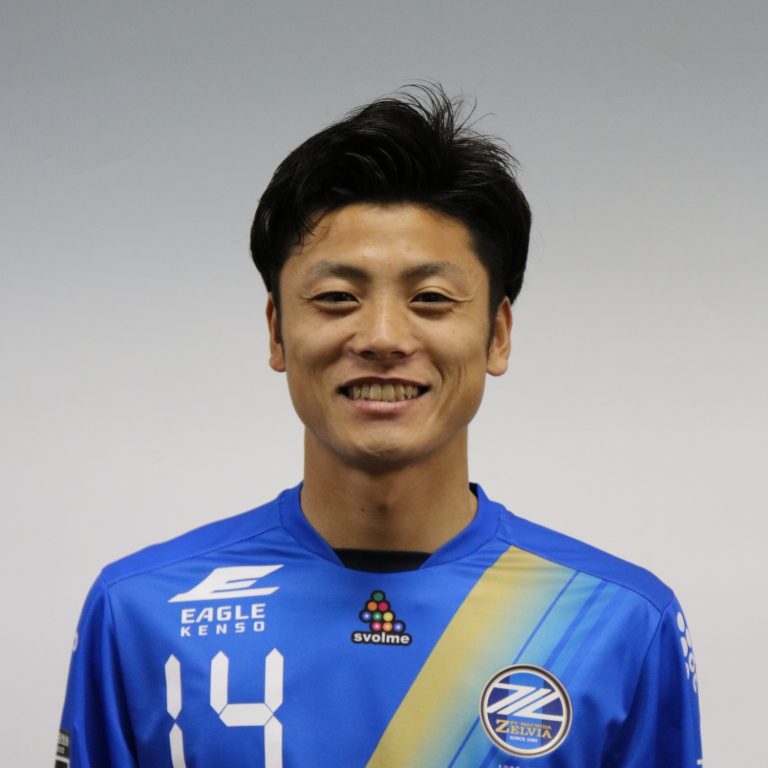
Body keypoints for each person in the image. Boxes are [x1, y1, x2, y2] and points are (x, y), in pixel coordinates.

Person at [56, 84, 703, 768]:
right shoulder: (139, 610)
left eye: (431, 298)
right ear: (277, 332)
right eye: (337, 297)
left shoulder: (616, 621)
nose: (383, 337)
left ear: (497, 334)